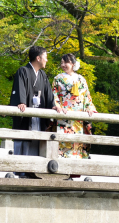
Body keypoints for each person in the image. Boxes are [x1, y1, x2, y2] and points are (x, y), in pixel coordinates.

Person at [8, 46, 58, 174]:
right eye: (45, 57)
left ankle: (33, 171)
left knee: (36, 142)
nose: (46, 60)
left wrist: (53, 105)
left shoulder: (42, 75)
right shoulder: (23, 71)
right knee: (24, 140)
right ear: (38, 58)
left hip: (38, 116)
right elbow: (20, 89)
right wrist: (21, 102)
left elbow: (48, 95)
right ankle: (19, 171)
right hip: (27, 116)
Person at [52, 53, 97, 159]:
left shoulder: (81, 79)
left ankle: (74, 172)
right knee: (64, 142)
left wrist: (89, 108)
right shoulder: (58, 78)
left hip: (78, 118)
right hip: (64, 115)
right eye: (62, 62)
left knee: (77, 143)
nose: (63, 64)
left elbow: (86, 96)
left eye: (66, 62)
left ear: (72, 64)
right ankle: (62, 172)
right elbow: (54, 95)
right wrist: (57, 105)